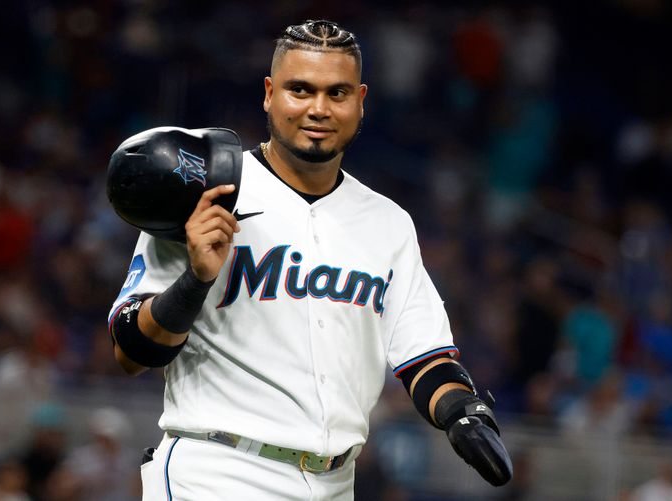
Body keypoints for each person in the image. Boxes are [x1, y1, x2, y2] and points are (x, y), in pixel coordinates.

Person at [107, 19, 511, 500]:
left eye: (336, 93)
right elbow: (131, 353)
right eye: (300, 90)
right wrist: (195, 280)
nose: (318, 108)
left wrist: (461, 413)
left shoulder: (387, 222)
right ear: (269, 93)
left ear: (360, 100)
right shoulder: (205, 191)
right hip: (218, 470)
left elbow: (425, 357)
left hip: (336, 481)